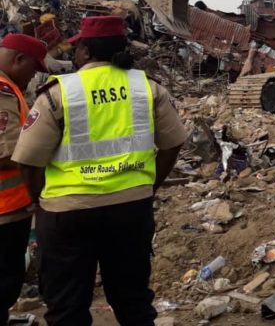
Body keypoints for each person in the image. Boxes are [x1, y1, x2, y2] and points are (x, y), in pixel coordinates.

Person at [12, 16, 187, 326]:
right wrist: (149, 186)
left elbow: (27, 160)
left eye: (78, 48)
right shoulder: (147, 89)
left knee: (67, 307)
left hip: (67, 213)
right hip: (130, 211)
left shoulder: (58, 93)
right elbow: (173, 144)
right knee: (134, 303)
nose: (75, 54)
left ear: (87, 52)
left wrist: (39, 199)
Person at [0, 34, 48, 326]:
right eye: (33, 69)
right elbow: (6, 153)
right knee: (5, 279)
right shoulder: (3, 92)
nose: (33, 76)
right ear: (19, 59)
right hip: (5, 209)